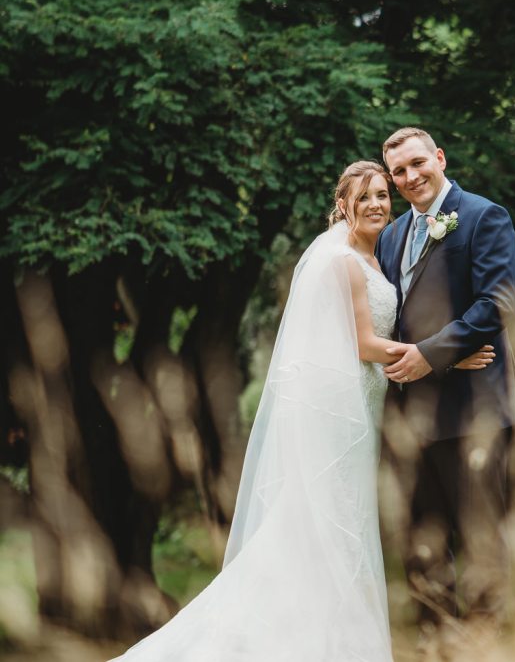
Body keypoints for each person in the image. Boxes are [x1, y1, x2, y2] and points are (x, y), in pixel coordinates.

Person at [110, 160, 493, 661]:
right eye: (364, 197)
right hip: (340, 420)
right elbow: (363, 343)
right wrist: (445, 355)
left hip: (364, 411)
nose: (376, 204)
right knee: (325, 529)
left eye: (382, 195)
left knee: (341, 531)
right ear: (343, 204)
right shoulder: (340, 260)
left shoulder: (375, 254)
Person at [375, 128, 515, 650]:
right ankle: (435, 646)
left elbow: (498, 302)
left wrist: (431, 353)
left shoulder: (483, 216)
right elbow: (391, 317)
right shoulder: (391, 235)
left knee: (481, 540)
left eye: (418, 163)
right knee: (422, 544)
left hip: (473, 412)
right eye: (399, 171)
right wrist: (430, 354)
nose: (411, 176)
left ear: (439, 158)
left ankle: (485, 649)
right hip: (409, 419)